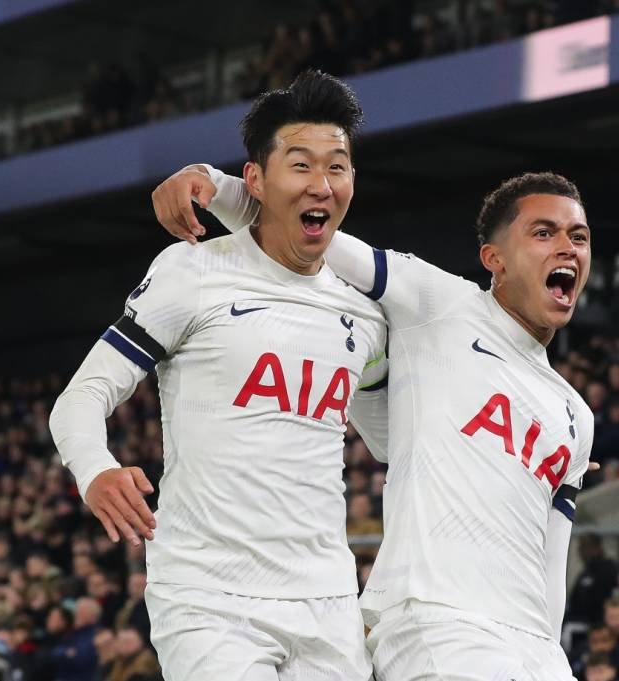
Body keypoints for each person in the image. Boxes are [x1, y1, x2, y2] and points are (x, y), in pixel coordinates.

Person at [152, 104, 594, 677]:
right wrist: (215, 186)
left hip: (532, 647)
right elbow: (314, 235)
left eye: (578, 237)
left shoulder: (576, 415)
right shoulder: (439, 304)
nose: (567, 247)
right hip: (438, 625)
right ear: (494, 260)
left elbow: (553, 558)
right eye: (544, 232)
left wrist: (549, 650)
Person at [50, 71, 389, 680]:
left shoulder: (364, 314)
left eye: (337, 167)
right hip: (210, 597)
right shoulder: (193, 273)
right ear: (255, 179)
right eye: (301, 165)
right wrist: (95, 470)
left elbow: (393, 439)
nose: (322, 184)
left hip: (330, 602)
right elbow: (81, 397)